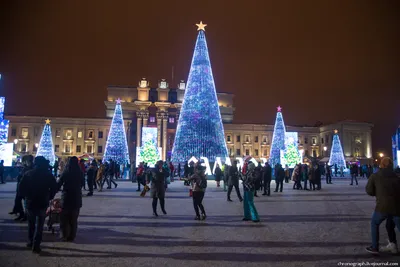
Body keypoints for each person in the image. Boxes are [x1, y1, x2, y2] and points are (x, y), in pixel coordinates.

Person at [18, 156, 57, 254]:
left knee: (31, 223)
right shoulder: (48, 175)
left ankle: (30, 241)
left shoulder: (28, 173)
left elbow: (21, 188)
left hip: (30, 202)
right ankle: (36, 245)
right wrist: (50, 196)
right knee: (40, 225)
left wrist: (25, 197)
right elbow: (54, 187)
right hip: (43, 202)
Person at [365, 157, 400, 254]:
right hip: (397, 207)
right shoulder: (396, 176)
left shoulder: (375, 176)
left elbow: (369, 190)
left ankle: (375, 247)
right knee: (391, 224)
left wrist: (379, 193)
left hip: (382, 207)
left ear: (381, 165)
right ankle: (393, 246)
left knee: (374, 223)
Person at [57, 156, 85, 242]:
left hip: (66, 198)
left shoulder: (66, 172)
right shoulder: (80, 172)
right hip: (76, 198)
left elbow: (59, 183)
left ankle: (64, 235)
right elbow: (83, 183)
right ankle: (72, 236)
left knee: (64, 218)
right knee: (73, 220)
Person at [9, 155, 34, 221]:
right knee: (18, 201)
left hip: (26, 188)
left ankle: (25, 215)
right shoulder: (27, 167)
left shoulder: (30, 168)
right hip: (21, 187)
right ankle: (21, 213)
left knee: (25, 202)